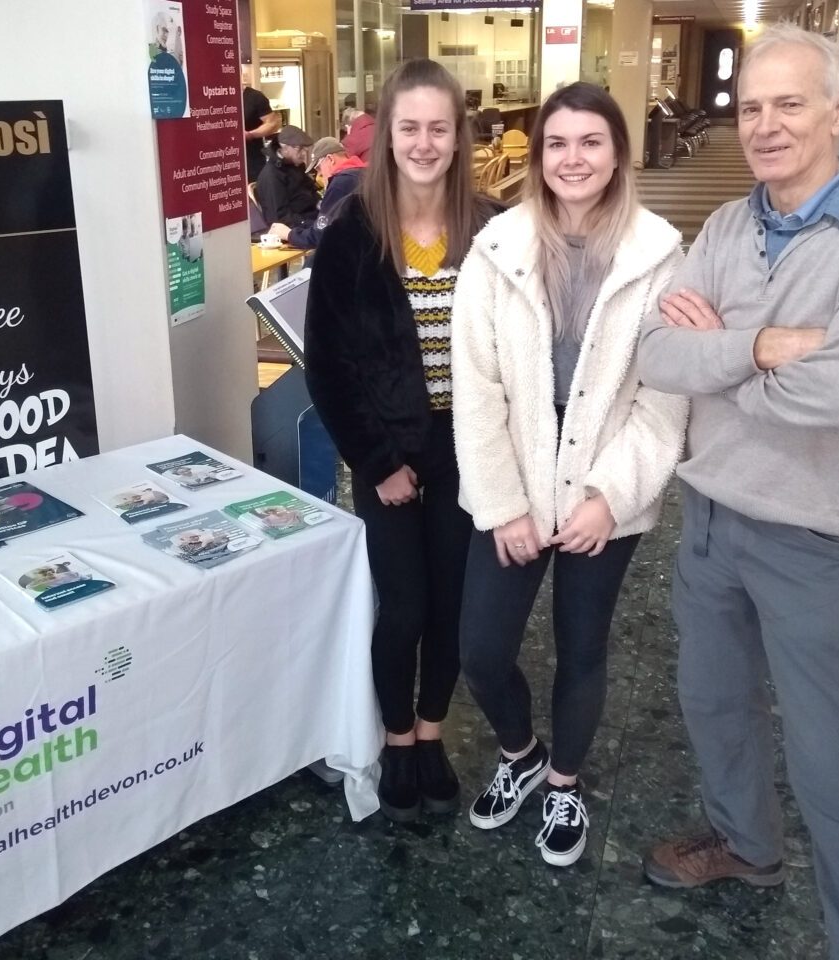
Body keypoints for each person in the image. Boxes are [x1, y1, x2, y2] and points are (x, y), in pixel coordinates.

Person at [635, 25, 839, 960]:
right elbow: (656, 353)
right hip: (713, 519)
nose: (765, 125)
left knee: (834, 760)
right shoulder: (728, 225)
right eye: (752, 106)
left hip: (817, 538)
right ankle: (745, 846)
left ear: (838, 111)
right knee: (714, 706)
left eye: (790, 103)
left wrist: (718, 348)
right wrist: (768, 344)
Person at [451, 82, 687, 865]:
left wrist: (608, 496)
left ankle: (563, 783)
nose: (573, 158)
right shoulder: (497, 247)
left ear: (618, 152)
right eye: (557, 143)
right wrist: (501, 504)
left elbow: (665, 395)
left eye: (591, 141)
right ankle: (518, 756)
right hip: (512, 485)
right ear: (538, 153)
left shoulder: (659, 252)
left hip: (602, 493)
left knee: (583, 644)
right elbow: (476, 389)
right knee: (482, 648)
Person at [304, 58, 495, 823]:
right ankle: (393, 738)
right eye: (408, 128)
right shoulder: (354, 230)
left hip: (468, 451)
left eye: (437, 129)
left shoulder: (487, 227)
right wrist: (378, 462)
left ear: (458, 137)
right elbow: (329, 363)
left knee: (452, 607)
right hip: (387, 454)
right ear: (386, 135)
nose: (423, 143)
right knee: (406, 607)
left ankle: (431, 733)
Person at [268, 136, 366, 250]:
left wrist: (288, 234)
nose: (319, 175)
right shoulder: (365, 174)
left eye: (319, 168)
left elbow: (320, 236)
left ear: (330, 159)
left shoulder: (340, 184)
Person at [254, 125, 319, 231]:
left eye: (305, 148)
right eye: (299, 148)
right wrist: (309, 224)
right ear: (284, 148)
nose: (304, 152)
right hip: (297, 226)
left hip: (310, 218)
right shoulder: (271, 176)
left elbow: (312, 192)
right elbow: (280, 217)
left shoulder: (295, 166)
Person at [243, 65, 281, 183]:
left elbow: (273, 123)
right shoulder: (219, 97)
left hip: (252, 162)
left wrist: (251, 134)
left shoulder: (254, 97)